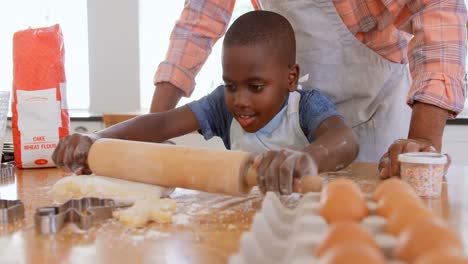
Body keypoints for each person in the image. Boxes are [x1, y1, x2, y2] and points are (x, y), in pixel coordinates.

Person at [52, 11, 359, 195]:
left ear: (290, 78)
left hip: (310, 221)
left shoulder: (304, 106)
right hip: (247, 221)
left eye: (255, 87)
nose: (240, 101)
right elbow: (160, 124)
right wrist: (95, 140)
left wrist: (309, 158)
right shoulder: (222, 107)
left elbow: (344, 140)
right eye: (230, 85)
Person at [151, 0, 467, 178]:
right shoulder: (227, 104)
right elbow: (198, 23)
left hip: (373, 116)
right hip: (290, 113)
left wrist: (423, 138)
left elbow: (437, 8)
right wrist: (151, 140)